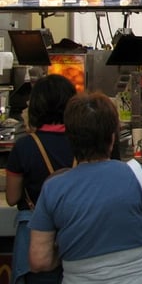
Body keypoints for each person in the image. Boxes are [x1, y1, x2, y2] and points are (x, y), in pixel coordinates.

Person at [28, 92, 142, 283]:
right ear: (112, 137)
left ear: (70, 137)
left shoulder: (53, 188)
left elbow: (39, 260)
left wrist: (68, 248)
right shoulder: (136, 174)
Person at [6, 74, 77, 284]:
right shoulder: (82, 142)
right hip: (75, 234)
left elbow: (12, 197)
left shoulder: (24, 146)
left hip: (36, 240)